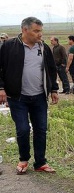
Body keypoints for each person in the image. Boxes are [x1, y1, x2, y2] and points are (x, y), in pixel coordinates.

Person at [0, 17, 59, 174]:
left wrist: (54, 89)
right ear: (24, 30)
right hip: (17, 97)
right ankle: (23, 159)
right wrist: (1, 88)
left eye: (40, 31)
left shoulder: (44, 48)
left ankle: (40, 162)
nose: (40, 34)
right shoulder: (8, 46)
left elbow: (52, 70)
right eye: (36, 31)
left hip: (39, 96)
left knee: (40, 129)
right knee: (23, 129)